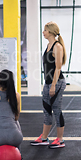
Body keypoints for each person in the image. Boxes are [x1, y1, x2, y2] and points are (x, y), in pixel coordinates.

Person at [31, 21, 67, 149]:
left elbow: (57, 68)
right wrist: (47, 84)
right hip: (48, 82)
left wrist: (53, 85)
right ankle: (44, 138)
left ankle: (60, 139)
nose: (43, 32)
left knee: (56, 110)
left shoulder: (57, 47)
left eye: (45, 30)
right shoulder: (48, 45)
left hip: (56, 83)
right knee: (46, 110)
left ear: (51, 31)